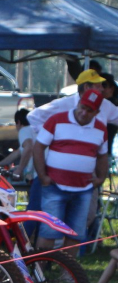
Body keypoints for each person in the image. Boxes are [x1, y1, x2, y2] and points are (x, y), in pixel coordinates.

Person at [33, 87, 109, 250]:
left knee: (74, 234)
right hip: (54, 186)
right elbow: (38, 147)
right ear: (79, 102)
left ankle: (68, 274)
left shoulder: (101, 129)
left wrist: (101, 178)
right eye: (83, 107)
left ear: (97, 112)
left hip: (83, 189)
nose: (84, 112)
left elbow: (103, 155)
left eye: (90, 110)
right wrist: (42, 176)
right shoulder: (56, 120)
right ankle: (39, 271)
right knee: (48, 232)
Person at [0, 108, 35, 181]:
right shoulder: (34, 130)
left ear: (18, 122)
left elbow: (29, 147)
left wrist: (19, 169)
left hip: (35, 175)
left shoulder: (23, 130)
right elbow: (17, 153)